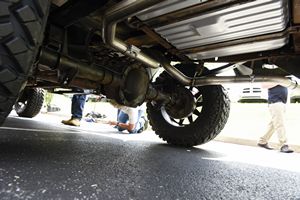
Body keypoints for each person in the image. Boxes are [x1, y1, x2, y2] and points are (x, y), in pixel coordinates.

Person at [257, 84, 293, 153]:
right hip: (275, 102)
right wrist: (278, 81)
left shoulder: (283, 76)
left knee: (273, 124)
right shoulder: (272, 76)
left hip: (282, 103)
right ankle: (283, 145)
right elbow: (263, 85)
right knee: (280, 124)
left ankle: (262, 141)